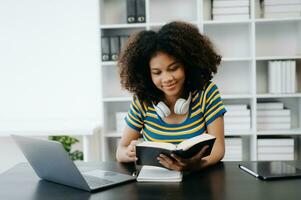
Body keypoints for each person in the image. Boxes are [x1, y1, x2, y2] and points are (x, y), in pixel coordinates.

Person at [116, 21, 226, 171]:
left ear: (187, 65)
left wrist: (196, 165)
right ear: (147, 75)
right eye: (157, 72)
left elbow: (218, 148)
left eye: (173, 68)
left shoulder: (206, 92)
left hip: (197, 179)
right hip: (155, 183)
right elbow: (120, 151)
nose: (167, 78)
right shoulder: (143, 100)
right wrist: (128, 152)